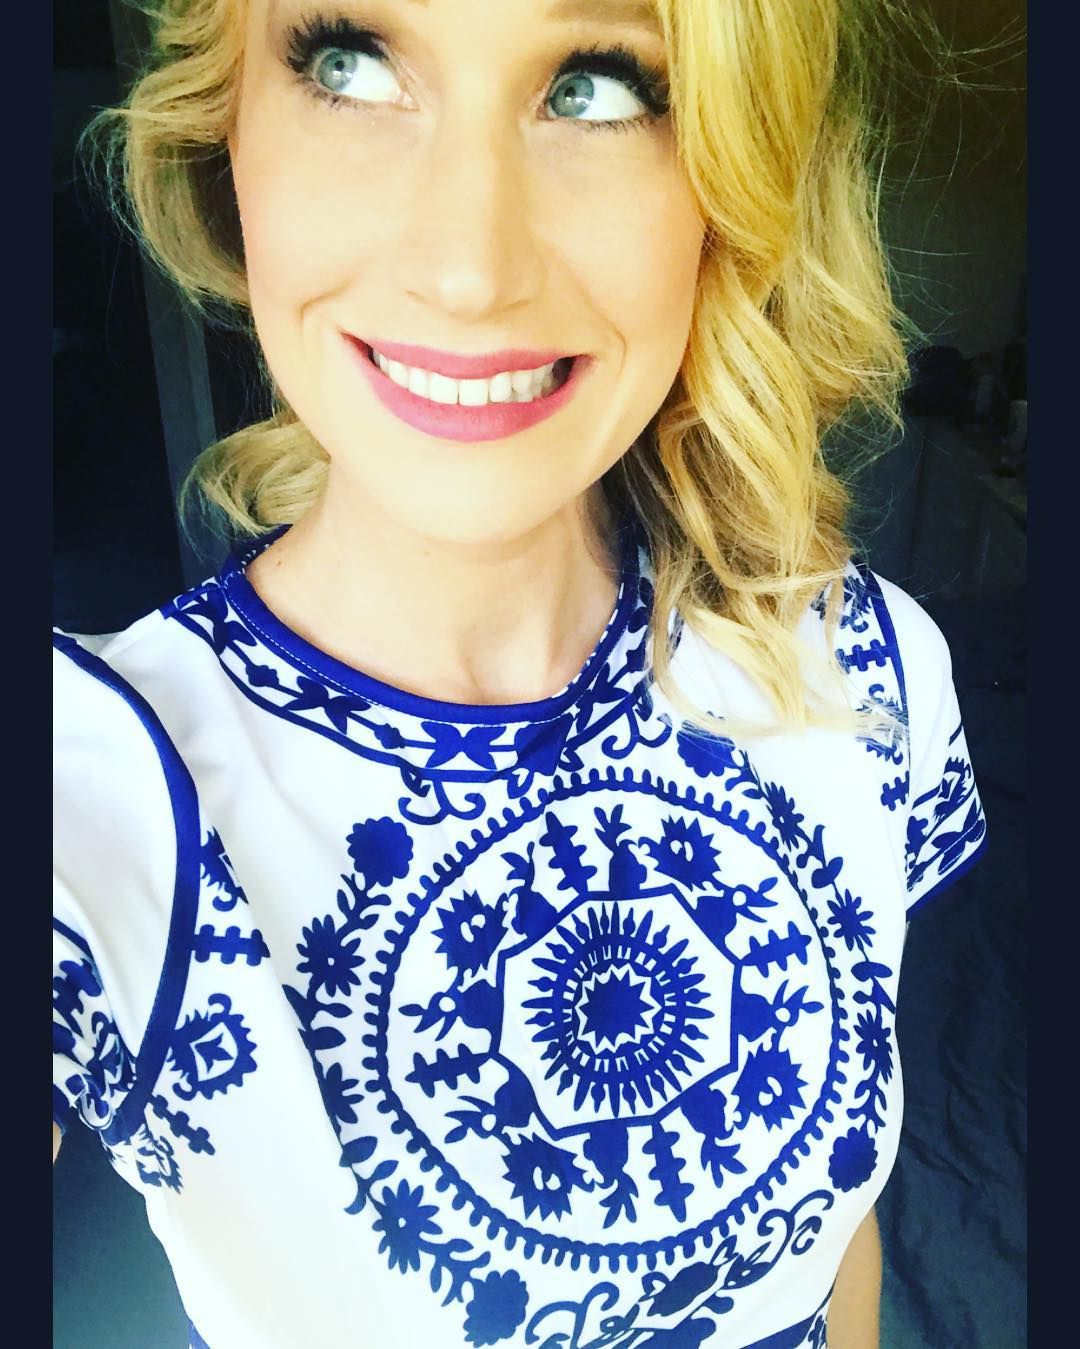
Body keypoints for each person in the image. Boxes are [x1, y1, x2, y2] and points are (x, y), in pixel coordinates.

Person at [53, 2, 988, 1346]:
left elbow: (838, 1233)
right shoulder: (87, 792)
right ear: (226, 132)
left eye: (598, 88)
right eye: (350, 66)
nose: (467, 270)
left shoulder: (860, 669)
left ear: (730, 179)